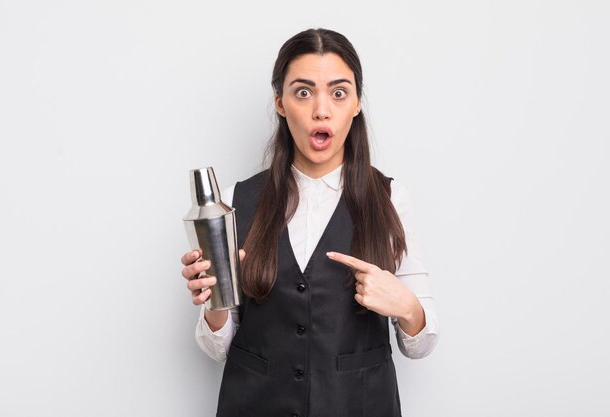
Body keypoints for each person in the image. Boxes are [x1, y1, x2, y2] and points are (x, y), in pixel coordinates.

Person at [180, 28, 439, 417]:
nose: (322, 110)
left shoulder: (389, 198)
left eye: (339, 93)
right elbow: (217, 347)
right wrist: (213, 301)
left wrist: (405, 306)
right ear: (280, 103)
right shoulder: (233, 200)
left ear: (356, 104)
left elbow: (420, 344)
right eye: (303, 92)